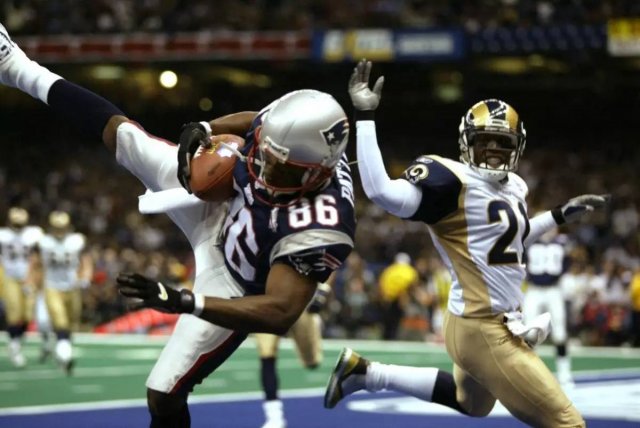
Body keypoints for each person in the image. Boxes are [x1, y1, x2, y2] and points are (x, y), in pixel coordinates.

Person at [0, 24, 355, 427]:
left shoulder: (322, 224)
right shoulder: (289, 136)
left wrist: (187, 301)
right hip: (222, 205)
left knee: (163, 392)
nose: (263, 168)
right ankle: (15, 65)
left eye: (280, 168)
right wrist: (206, 128)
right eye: (266, 154)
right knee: (126, 136)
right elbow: (256, 122)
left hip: (239, 278)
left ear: (317, 173)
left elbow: (279, 312)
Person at [324, 59, 609, 427]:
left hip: (474, 322)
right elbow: (381, 191)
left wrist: (558, 215)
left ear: (517, 147)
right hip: (482, 327)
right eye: (483, 141)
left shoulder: (516, 186)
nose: (492, 150)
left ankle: (366, 373)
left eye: (502, 142)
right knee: (568, 423)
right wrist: (365, 116)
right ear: (465, 143)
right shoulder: (451, 181)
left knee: (471, 403)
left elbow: (511, 239)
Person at [256, 278, 332, 428]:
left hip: (300, 297)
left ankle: (314, 322)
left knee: (312, 362)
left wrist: (322, 291)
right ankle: (274, 416)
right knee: (267, 353)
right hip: (269, 298)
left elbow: (333, 264)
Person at [28, 210, 93, 375]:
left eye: (62, 227)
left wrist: (85, 277)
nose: (59, 230)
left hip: (72, 287)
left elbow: (86, 261)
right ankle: (65, 354)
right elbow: (34, 262)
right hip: (52, 287)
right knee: (60, 322)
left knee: (71, 323)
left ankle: (62, 351)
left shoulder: (76, 240)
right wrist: (31, 281)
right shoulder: (43, 241)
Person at [523, 226, 574, 386]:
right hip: (534, 290)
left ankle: (564, 374)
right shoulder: (529, 243)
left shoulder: (562, 243)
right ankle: (530, 374)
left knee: (560, 333)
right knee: (529, 333)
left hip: (554, 290)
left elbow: (569, 261)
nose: (547, 231)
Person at [0, 206, 43, 367]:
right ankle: (14, 344)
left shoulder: (33, 234)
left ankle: (16, 340)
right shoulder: (3, 235)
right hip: (9, 277)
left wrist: (34, 275)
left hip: (28, 277)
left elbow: (38, 256)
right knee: (14, 312)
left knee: (28, 315)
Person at [377, 252, 419, 340]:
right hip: (403, 301)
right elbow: (413, 286)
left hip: (388, 301)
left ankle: (387, 337)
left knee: (388, 324)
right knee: (400, 324)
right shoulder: (411, 271)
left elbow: (381, 286)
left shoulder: (388, 271)